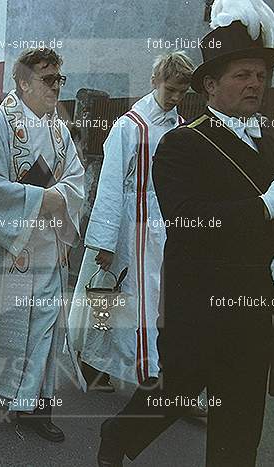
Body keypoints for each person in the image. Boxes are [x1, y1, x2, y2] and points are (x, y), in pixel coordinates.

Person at [98, 3, 274, 466]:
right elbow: (188, 219)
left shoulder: (268, 141)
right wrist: (263, 207)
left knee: (241, 425)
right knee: (174, 395)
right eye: (243, 74)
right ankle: (116, 437)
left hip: (255, 303)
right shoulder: (183, 143)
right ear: (210, 84)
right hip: (198, 303)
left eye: (261, 77)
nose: (255, 85)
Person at [0, 47, 84, 443]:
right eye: (48, 79)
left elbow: (76, 180)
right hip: (4, 246)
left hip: (46, 246)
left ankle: (34, 407)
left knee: (44, 326)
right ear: (23, 82)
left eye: (59, 79)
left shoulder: (60, 130)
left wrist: (57, 198)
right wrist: (38, 199)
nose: (55, 87)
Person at [68, 51, 194, 392]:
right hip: (128, 224)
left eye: (182, 92)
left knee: (156, 297)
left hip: (164, 225)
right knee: (119, 296)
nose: (175, 98)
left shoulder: (181, 128)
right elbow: (109, 185)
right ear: (154, 81)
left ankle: (147, 367)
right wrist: (105, 242)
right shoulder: (129, 126)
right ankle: (112, 367)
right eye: (170, 89)